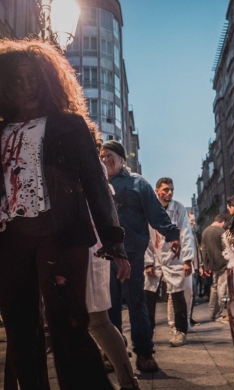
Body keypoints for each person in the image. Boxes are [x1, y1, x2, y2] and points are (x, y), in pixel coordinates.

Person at [0, 39, 129, 390]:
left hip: (61, 234)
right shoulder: (1, 128)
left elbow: (95, 185)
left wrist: (114, 242)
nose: (25, 87)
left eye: (32, 79)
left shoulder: (69, 125)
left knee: (68, 323)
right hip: (11, 237)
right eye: (16, 80)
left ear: (46, 81)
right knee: (19, 325)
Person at [100, 142, 181, 372]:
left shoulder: (139, 183)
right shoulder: (97, 184)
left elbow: (156, 214)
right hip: (104, 255)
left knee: (136, 302)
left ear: (122, 158)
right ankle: (113, 353)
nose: (104, 160)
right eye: (102, 156)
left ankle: (144, 353)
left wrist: (172, 235)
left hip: (131, 252)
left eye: (110, 156)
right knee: (110, 306)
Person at [86, 128, 139, 390]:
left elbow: (107, 210)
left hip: (90, 251)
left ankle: (128, 382)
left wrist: (118, 250)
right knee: (92, 323)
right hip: (74, 249)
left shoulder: (94, 168)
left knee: (98, 322)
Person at [144, 178, 195, 347]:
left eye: (172, 189)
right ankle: (147, 332)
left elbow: (186, 234)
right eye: (166, 189)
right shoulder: (148, 208)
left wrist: (187, 259)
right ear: (157, 191)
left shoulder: (179, 209)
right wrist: (148, 262)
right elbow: (145, 237)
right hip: (155, 254)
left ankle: (180, 331)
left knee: (178, 295)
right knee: (148, 295)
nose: (170, 193)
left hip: (174, 257)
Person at [201, 214, 229, 321]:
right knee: (222, 289)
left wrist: (206, 266)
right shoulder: (221, 232)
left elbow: (204, 250)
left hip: (213, 266)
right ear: (223, 222)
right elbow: (226, 248)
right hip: (223, 264)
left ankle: (212, 312)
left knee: (214, 288)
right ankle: (219, 313)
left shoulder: (205, 231)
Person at [187, 211, 203, 326]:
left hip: (195, 267)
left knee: (193, 294)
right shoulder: (185, 232)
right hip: (189, 268)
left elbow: (197, 250)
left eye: (194, 219)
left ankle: (189, 317)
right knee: (189, 294)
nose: (193, 221)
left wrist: (200, 265)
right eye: (191, 219)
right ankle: (187, 319)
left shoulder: (192, 232)